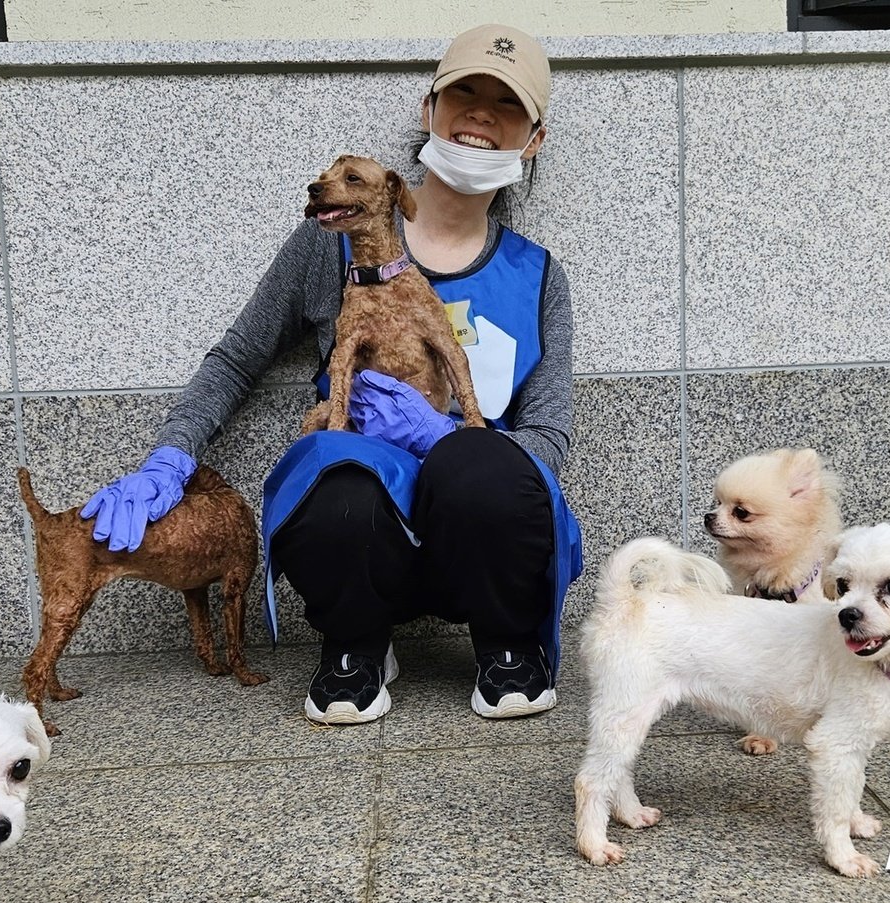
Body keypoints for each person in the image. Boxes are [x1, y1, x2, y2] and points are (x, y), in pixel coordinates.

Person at [80, 23, 581, 726]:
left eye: (507, 104)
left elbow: (549, 437)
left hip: (483, 535)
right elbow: (236, 359)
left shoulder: (538, 277)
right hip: (361, 533)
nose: (479, 114)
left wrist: (447, 437)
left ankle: (505, 644)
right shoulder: (333, 240)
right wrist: (169, 458)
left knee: (483, 465)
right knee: (338, 469)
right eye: (463, 91)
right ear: (428, 108)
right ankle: (355, 642)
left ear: (533, 139)